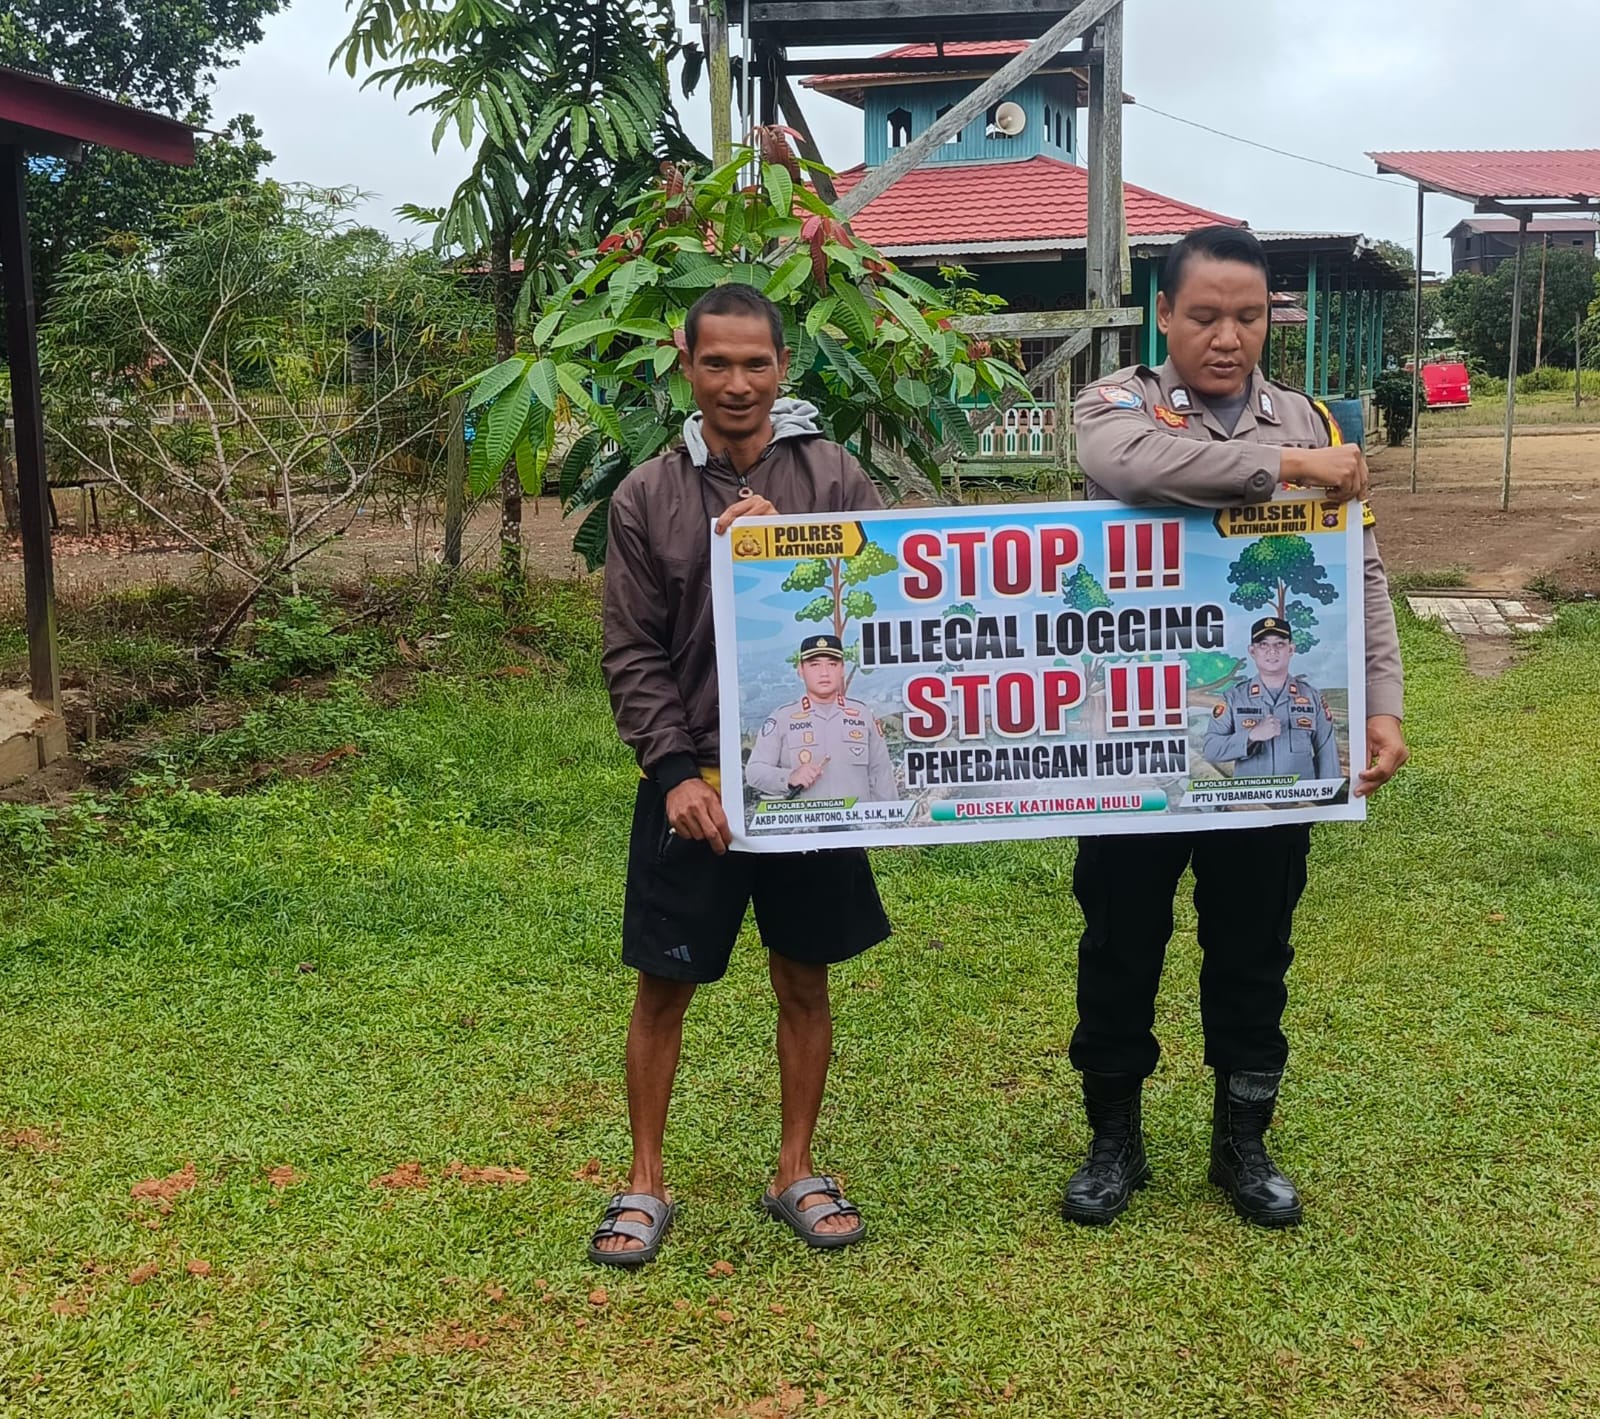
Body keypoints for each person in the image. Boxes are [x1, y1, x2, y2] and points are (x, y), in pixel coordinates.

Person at [1062, 226, 1409, 1229]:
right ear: (1164, 315)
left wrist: (1381, 701)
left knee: (1254, 946)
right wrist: (1293, 464)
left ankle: (1242, 1143)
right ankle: (1113, 1143)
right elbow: (1129, 466)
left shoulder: (1307, 414)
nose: (1228, 337)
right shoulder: (1117, 403)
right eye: (1206, 316)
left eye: (1248, 317)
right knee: (1119, 942)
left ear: (1268, 320)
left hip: (1269, 744)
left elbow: (1359, 570)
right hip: (1133, 738)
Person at [592, 283, 888, 1266]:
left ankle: (795, 1168)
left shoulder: (833, 476)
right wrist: (676, 772)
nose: (736, 382)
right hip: (701, 787)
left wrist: (793, 546)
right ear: (685, 365)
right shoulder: (647, 496)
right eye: (715, 362)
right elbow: (632, 650)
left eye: (755, 362)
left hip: (815, 785)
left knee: (804, 976)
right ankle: (644, 1181)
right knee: (663, 985)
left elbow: (888, 604)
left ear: (782, 366)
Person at [745, 634, 899, 803]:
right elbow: (754, 772)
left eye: (832, 664)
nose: (824, 673)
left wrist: (890, 816)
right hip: (806, 819)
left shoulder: (863, 715)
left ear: (842, 669)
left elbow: (882, 776)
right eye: (815, 665)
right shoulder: (782, 718)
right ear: (801, 670)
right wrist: (789, 777)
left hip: (857, 818)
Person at [1203, 617, 1341, 782]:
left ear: (1291, 649)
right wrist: (1251, 736)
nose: (1272, 651)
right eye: (1263, 644)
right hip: (1252, 796)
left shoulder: (1312, 698)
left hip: (1300, 796)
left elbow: (1327, 755)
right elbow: (1210, 750)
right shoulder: (1233, 698)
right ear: (1252, 651)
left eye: (1279, 644)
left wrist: (1329, 795)